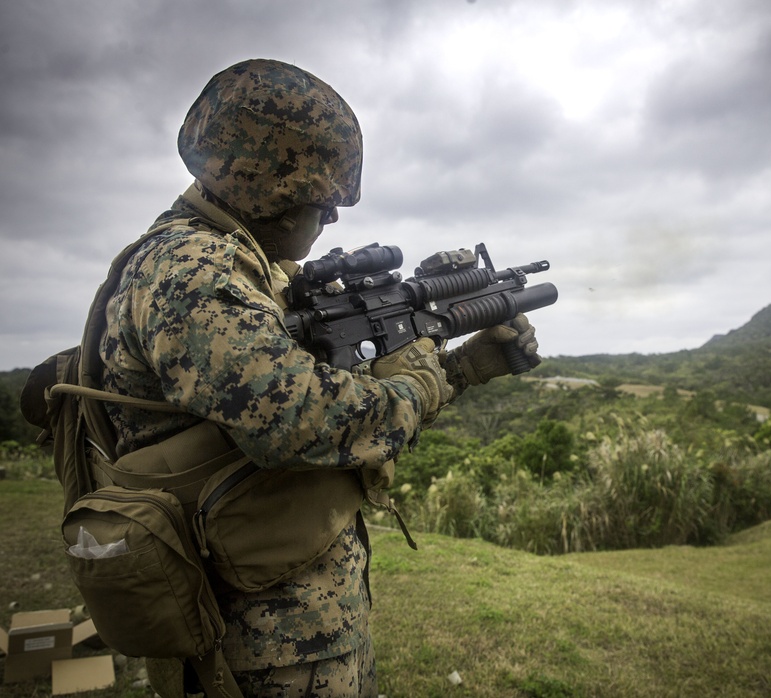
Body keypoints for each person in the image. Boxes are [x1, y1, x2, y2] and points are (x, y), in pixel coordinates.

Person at [96, 58, 540, 697]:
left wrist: (461, 366)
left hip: (295, 612)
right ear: (271, 187)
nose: (329, 221)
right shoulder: (194, 271)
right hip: (256, 635)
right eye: (322, 204)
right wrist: (428, 381)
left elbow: (340, 408)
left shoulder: (252, 268)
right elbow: (301, 419)